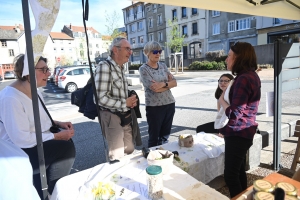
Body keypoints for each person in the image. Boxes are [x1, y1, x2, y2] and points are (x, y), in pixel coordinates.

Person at [0, 54, 76, 199]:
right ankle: (53, 193)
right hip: (19, 153)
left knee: (65, 144)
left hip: (32, 144)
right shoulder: (10, 98)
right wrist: (56, 136)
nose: (48, 73)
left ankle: (51, 190)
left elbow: (39, 119)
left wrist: (58, 124)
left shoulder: (35, 91)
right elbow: (21, 139)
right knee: (64, 148)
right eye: (44, 69)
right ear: (27, 73)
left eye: (48, 69)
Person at [218, 42, 261, 197]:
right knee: (238, 171)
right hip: (245, 131)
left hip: (238, 133)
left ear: (239, 57)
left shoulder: (243, 78)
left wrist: (222, 101)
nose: (226, 59)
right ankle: (245, 197)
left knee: (230, 175)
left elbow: (235, 113)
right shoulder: (251, 75)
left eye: (229, 56)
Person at [95, 37, 141, 161]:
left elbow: (119, 92)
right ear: (115, 50)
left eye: (130, 49)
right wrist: (124, 103)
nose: (130, 52)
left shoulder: (120, 68)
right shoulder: (104, 66)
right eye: (127, 49)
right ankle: (118, 179)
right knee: (117, 155)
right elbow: (100, 99)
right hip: (111, 116)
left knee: (130, 149)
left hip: (124, 115)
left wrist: (131, 97)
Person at [139, 41, 177, 148]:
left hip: (169, 104)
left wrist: (163, 84)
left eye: (159, 51)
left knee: (165, 136)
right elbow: (155, 89)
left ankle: (164, 157)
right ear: (147, 53)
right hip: (154, 108)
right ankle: (152, 159)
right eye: (154, 51)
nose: (158, 54)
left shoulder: (163, 66)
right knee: (154, 137)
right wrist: (168, 84)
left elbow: (175, 82)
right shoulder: (144, 69)